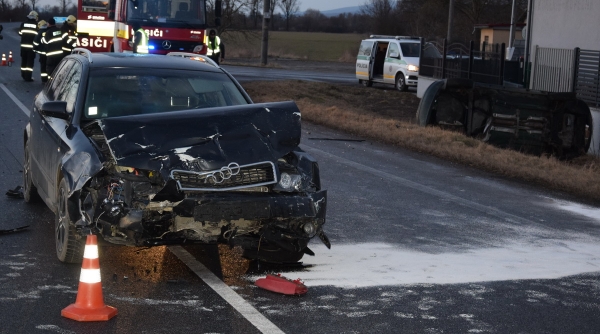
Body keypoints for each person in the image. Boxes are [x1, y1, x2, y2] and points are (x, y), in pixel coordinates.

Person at [18, 11, 38, 82]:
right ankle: (28, 77)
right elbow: (38, 36)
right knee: (30, 62)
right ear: (35, 17)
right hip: (31, 47)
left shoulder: (23, 23)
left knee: (24, 61)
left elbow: (20, 33)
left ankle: (23, 75)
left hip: (23, 46)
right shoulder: (36, 25)